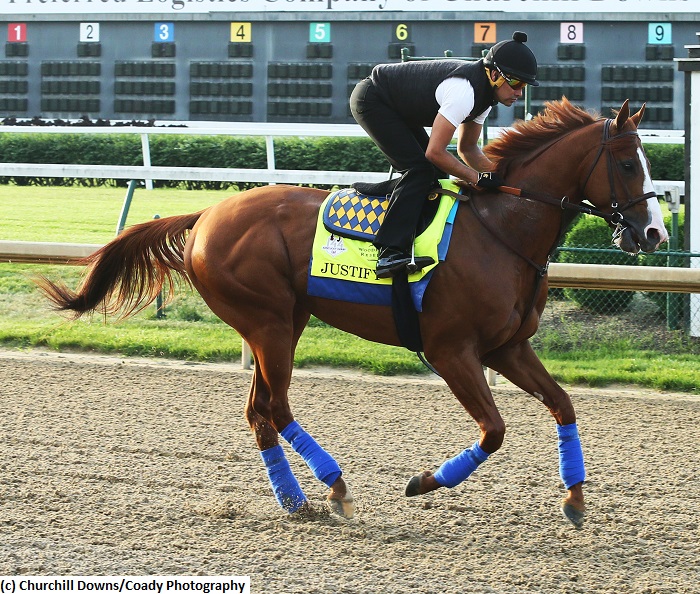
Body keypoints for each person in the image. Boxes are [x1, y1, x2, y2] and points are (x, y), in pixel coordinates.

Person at [350, 31, 540, 279]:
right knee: (420, 170)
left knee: (434, 174)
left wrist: (501, 179)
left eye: (524, 86)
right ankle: (389, 253)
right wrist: (477, 178)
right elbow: (435, 152)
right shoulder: (465, 92)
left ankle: (405, 217)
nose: (519, 93)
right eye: (515, 83)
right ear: (494, 74)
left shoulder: (484, 97)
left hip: (395, 106)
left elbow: (467, 148)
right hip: (373, 99)